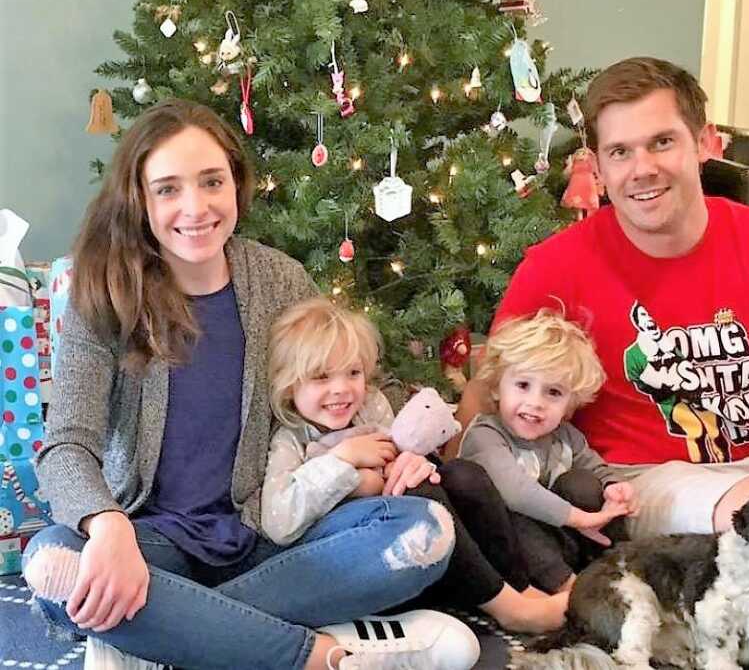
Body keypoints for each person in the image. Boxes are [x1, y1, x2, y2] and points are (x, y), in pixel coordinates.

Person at [451, 57, 749, 655]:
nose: (642, 170)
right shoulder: (555, 268)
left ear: (707, 144)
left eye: (662, 142)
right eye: (620, 152)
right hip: (652, 480)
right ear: (599, 168)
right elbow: (486, 398)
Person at [22, 100, 478, 670]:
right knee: (51, 560)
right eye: (167, 189)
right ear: (139, 199)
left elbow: (353, 380)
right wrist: (108, 527)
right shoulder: (108, 295)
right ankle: (320, 656)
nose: (195, 207)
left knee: (425, 529)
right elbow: (66, 443)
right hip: (152, 543)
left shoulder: (281, 279)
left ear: (236, 183)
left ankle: (164, 637)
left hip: (272, 533)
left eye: (212, 181)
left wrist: (404, 452)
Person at [263, 297, 569, 634]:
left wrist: (414, 461)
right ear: (291, 385)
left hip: (427, 544)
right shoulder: (291, 439)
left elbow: (400, 453)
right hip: (375, 558)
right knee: (417, 494)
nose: (341, 389)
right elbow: (279, 522)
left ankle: (518, 585)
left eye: (353, 372)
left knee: (464, 475)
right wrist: (344, 460)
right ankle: (512, 610)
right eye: (321, 377)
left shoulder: (371, 405)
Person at [458, 309, 638, 594]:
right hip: (505, 552)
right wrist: (581, 518)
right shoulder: (485, 435)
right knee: (514, 514)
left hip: (556, 540)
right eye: (523, 385)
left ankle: (619, 568)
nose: (535, 402)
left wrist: (613, 488)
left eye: (553, 393)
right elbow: (515, 491)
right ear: (496, 388)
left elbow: (596, 467)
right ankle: (570, 590)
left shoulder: (565, 437)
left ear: (570, 404)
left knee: (582, 483)